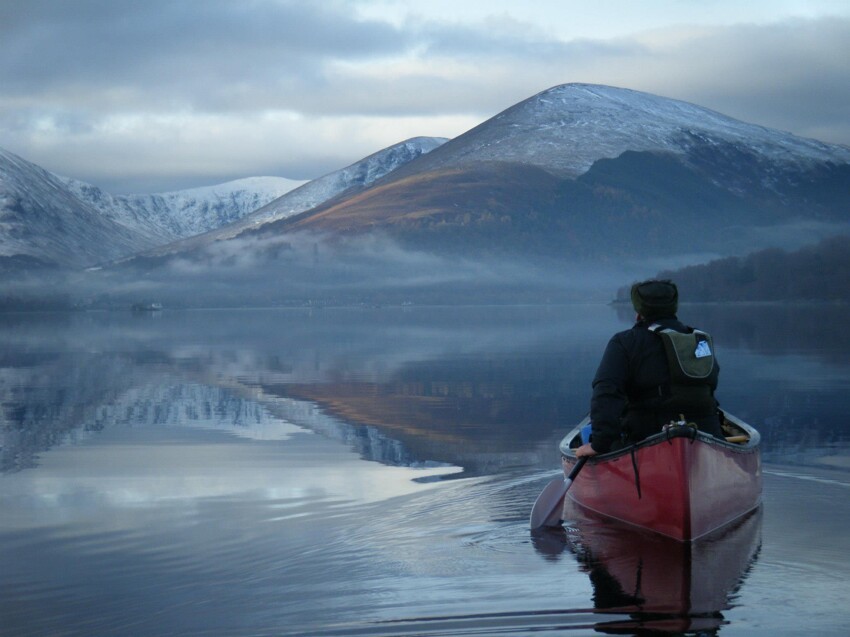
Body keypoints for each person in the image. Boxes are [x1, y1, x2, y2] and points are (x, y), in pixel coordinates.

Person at [576, 279, 723, 458]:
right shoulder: (700, 339)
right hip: (707, 436)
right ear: (674, 307)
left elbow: (606, 393)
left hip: (644, 437)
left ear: (638, 311)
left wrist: (599, 445)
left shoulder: (625, 342)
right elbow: (711, 383)